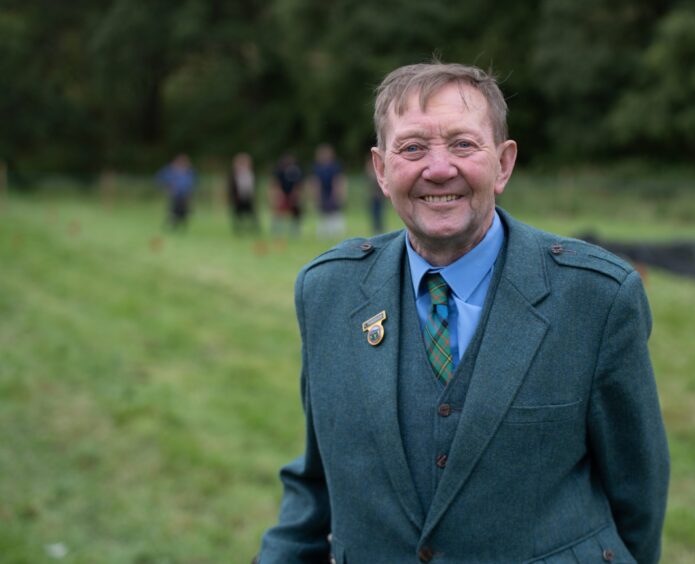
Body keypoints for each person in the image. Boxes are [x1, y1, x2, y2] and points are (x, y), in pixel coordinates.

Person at [257, 62, 669, 564]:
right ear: (382, 170)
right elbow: (315, 485)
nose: (438, 168)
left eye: (462, 144)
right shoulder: (327, 292)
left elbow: (637, 495)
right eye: (412, 148)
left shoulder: (598, 298)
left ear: (503, 163)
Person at [311, 143, 347, 238]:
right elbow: (315, 182)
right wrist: (316, 195)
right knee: (323, 213)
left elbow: (339, 180)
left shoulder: (335, 167)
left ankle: (336, 233)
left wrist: (339, 193)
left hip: (333, 192)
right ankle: (323, 234)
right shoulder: (317, 168)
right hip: (323, 193)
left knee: (335, 213)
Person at [156, 154, 195, 230]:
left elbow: (192, 183)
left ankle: (182, 228)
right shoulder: (170, 170)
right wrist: (167, 188)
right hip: (175, 195)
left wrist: (190, 193)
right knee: (173, 212)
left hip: (185, 195)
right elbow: (160, 178)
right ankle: (171, 226)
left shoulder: (189, 172)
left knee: (184, 212)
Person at [270, 153, 304, 237]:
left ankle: (295, 231)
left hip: (292, 195)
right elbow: (275, 183)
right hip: (282, 194)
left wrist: (295, 195)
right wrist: (279, 194)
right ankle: (278, 231)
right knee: (279, 213)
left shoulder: (296, 171)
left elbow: (298, 184)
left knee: (296, 212)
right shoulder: (279, 171)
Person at [227, 152, 261, 235]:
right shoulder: (235, 174)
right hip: (238, 197)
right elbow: (232, 187)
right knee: (238, 214)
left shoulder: (250, 173)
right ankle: (238, 229)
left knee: (251, 213)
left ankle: (254, 229)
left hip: (248, 197)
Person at [365, 152, 386, 234]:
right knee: (373, 212)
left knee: (379, 212)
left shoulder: (377, 172)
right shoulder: (370, 171)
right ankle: (375, 227)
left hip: (379, 196)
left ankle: (380, 227)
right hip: (373, 196)